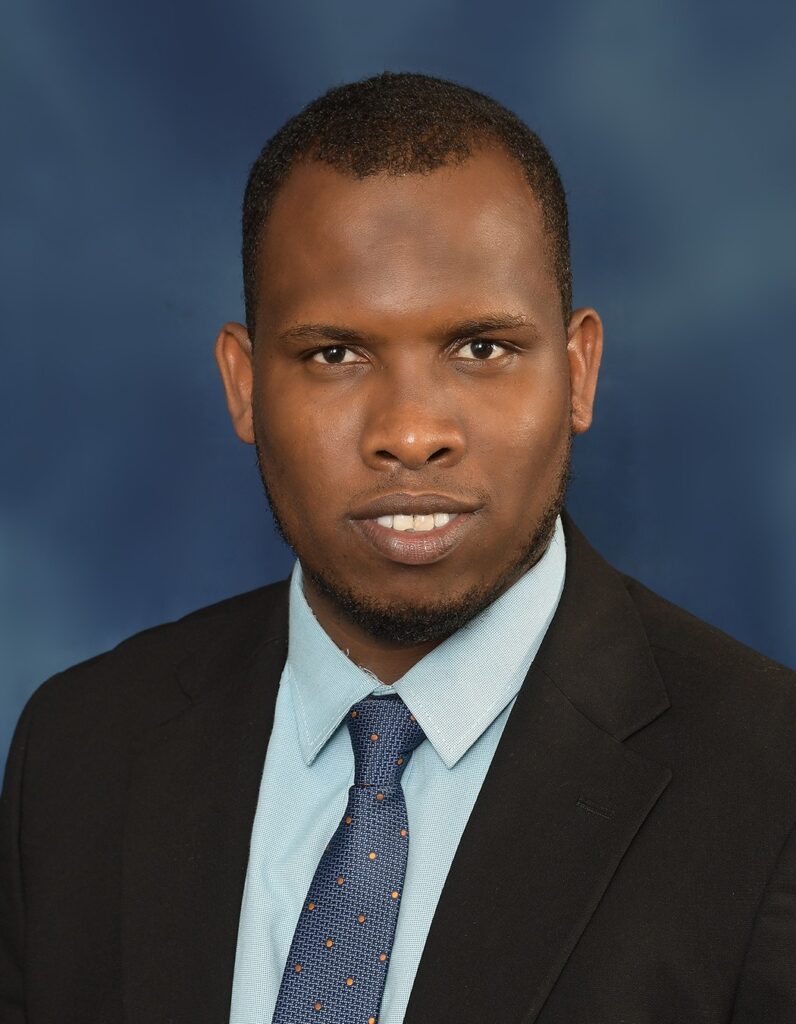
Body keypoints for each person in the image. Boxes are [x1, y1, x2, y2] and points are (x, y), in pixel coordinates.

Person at [1, 72, 794, 1024]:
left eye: (482, 349)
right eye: (335, 354)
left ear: (579, 371)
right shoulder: (80, 750)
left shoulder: (771, 785)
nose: (411, 434)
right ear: (244, 386)